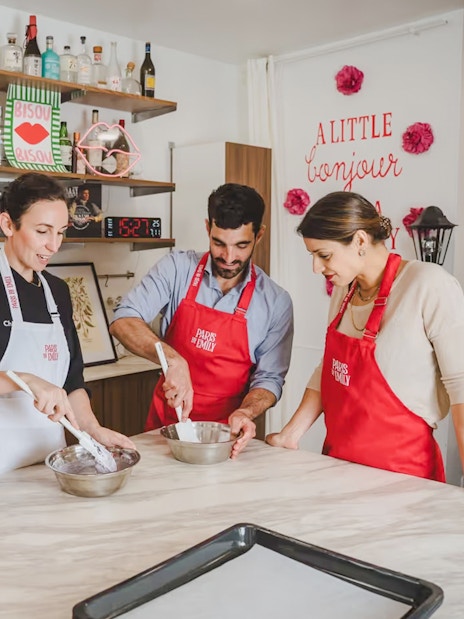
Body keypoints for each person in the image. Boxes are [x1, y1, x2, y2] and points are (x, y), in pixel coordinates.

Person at [266, 190, 464, 482]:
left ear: (359, 241)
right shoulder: (345, 291)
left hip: (405, 481)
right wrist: (290, 435)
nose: (316, 267)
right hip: (337, 472)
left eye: (324, 255)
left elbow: (461, 389)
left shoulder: (428, 285)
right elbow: (330, 369)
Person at [110, 183, 294, 458]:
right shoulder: (176, 269)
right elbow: (123, 319)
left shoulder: (276, 302)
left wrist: (248, 411)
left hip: (228, 441)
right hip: (164, 433)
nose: (229, 257)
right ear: (208, 228)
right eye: (219, 243)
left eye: (241, 245)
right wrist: (173, 359)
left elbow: (269, 379)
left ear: (260, 235)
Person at [0, 172, 135, 474]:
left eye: (60, 232)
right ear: (8, 224)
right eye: (42, 231)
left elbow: (72, 379)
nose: (54, 245)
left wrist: (91, 429)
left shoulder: (58, 292)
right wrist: (24, 380)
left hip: (49, 465)